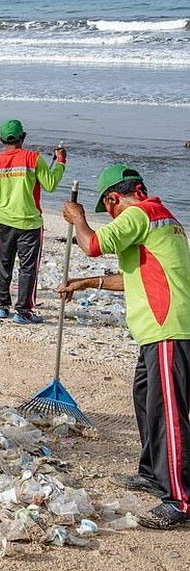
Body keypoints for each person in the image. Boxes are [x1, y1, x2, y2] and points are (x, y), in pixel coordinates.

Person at [58, 165, 190, 529]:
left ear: (114, 198)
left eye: (108, 209)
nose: (112, 215)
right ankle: (152, 473)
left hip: (168, 328)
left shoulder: (139, 213)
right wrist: (87, 284)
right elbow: (132, 278)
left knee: (168, 413)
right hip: (158, 330)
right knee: (146, 399)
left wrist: (79, 218)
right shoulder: (163, 218)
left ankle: (181, 499)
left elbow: (93, 245)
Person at [0, 119, 65, 324]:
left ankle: (1, 306)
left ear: (1, 140)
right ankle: (23, 311)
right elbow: (51, 184)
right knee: (28, 267)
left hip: (3, 221)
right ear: (23, 137)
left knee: (2, 263)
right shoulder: (33, 159)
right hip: (29, 223)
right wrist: (60, 162)